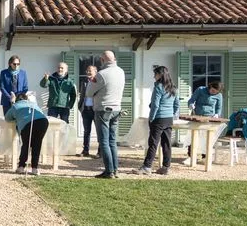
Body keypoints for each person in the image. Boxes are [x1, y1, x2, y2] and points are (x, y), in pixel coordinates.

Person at [133, 66, 180, 175]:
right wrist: (172, 114)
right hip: (168, 119)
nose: (154, 76)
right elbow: (177, 104)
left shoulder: (159, 86)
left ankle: (147, 167)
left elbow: (155, 105)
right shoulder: (173, 87)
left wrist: (152, 118)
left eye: (155, 74)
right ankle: (166, 167)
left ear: (160, 75)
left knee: (153, 143)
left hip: (158, 118)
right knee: (166, 143)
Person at [86, 51, 125, 179]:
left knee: (104, 141)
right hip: (116, 109)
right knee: (112, 141)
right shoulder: (121, 71)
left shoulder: (101, 74)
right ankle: (115, 169)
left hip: (103, 109)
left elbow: (89, 93)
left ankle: (109, 171)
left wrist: (92, 82)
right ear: (114, 59)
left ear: (102, 60)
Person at [5, 92, 49, 175]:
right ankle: (34, 169)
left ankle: (21, 167)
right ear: (26, 99)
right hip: (43, 121)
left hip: (27, 123)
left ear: (17, 100)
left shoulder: (15, 105)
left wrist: (16, 116)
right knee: (37, 145)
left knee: (26, 145)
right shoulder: (33, 104)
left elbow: (7, 118)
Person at [184, 81, 224, 165]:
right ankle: (190, 157)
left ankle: (205, 157)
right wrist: (191, 104)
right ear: (210, 86)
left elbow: (219, 108)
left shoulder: (219, 96)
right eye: (213, 91)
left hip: (209, 118)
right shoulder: (200, 89)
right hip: (197, 116)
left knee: (206, 138)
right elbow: (191, 100)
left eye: (216, 92)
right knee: (193, 136)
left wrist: (217, 114)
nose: (213, 93)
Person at [76, 65, 98, 157]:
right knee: (86, 131)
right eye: (87, 71)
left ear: (95, 72)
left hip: (96, 110)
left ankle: (100, 152)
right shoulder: (84, 82)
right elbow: (82, 95)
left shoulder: (98, 81)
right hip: (85, 109)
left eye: (90, 71)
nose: (88, 72)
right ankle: (85, 150)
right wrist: (80, 106)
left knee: (99, 131)